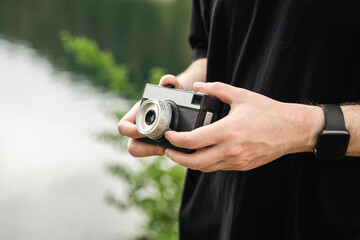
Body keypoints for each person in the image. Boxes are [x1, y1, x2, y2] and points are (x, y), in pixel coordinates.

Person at [118, 0, 360, 239]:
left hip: (323, 223)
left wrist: (300, 128)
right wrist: (178, 92)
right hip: (212, 217)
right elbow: (208, 52)